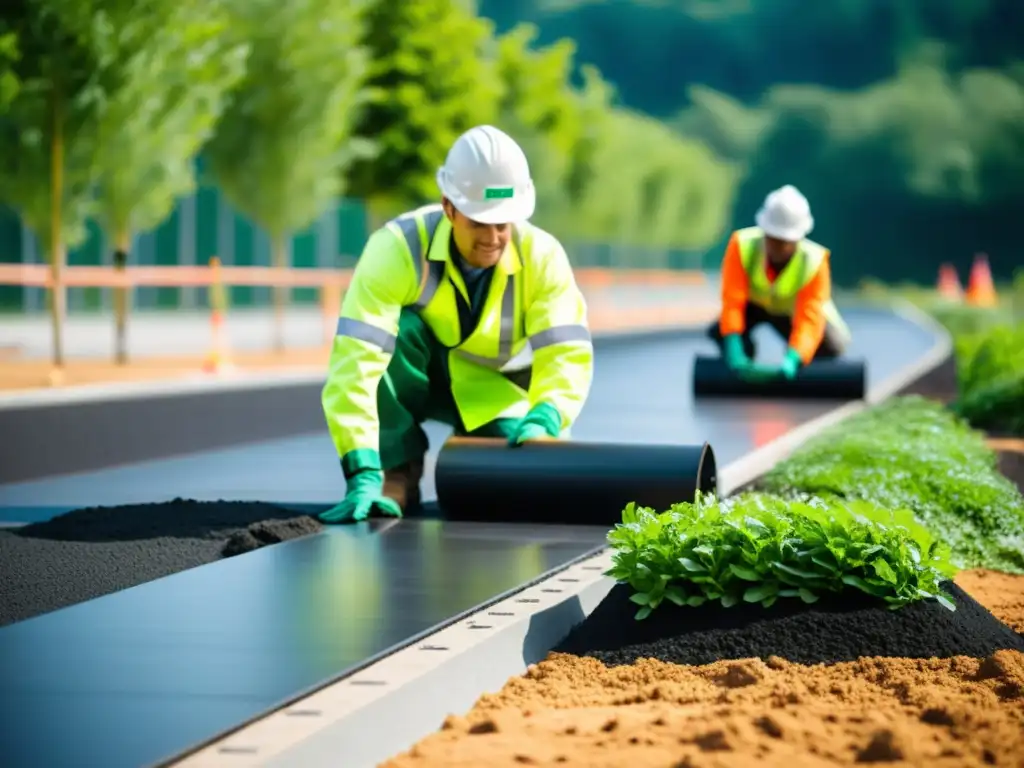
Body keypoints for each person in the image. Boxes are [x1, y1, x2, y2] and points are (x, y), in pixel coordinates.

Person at [319, 125, 595, 524]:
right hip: (415, 377)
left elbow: (565, 353)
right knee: (400, 331)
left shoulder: (542, 255)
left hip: (493, 392)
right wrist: (363, 466)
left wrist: (546, 417)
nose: (493, 237)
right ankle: (399, 471)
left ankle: (475, 446)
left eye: (504, 223)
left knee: (518, 493)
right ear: (449, 208)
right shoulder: (398, 248)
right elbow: (357, 358)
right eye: (479, 222)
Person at [706, 184, 851, 381]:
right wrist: (733, 341)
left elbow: (810, 317)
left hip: (791, 313)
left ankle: (798, 360)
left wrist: (795, 356)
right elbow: (733, 299)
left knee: (832, 346)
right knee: (719, 333)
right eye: (773, 239)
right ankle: (744, 354)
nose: (778, 247)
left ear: (798, 237)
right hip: (754, 308)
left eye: (785, 241)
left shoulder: (815, 261)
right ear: (764, 231)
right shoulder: (742, 244)